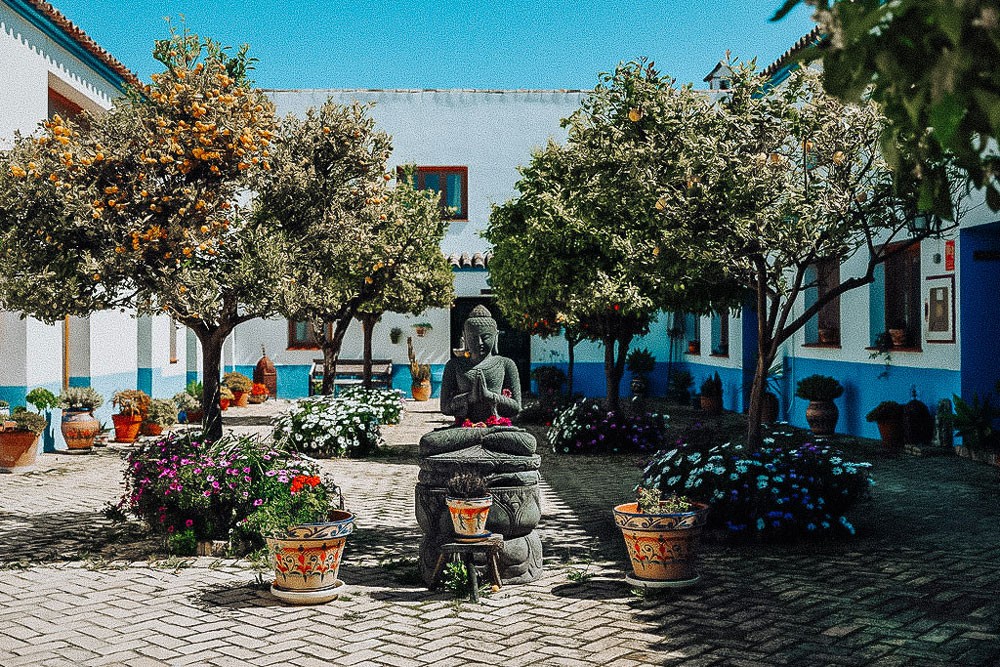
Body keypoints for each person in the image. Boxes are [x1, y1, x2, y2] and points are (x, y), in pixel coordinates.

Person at [439, 305, 521, 424]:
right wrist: (469, 398)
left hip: (497, 426)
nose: (480, 342)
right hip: (465, 427)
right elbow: (445, 408)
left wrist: (490, 396)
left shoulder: (506, 364)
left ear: (495, 337)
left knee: (527, 441)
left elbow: (516, 407)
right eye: (473, 337)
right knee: (430, 441)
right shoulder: (454, 365)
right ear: (465, 338)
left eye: (485, 337)